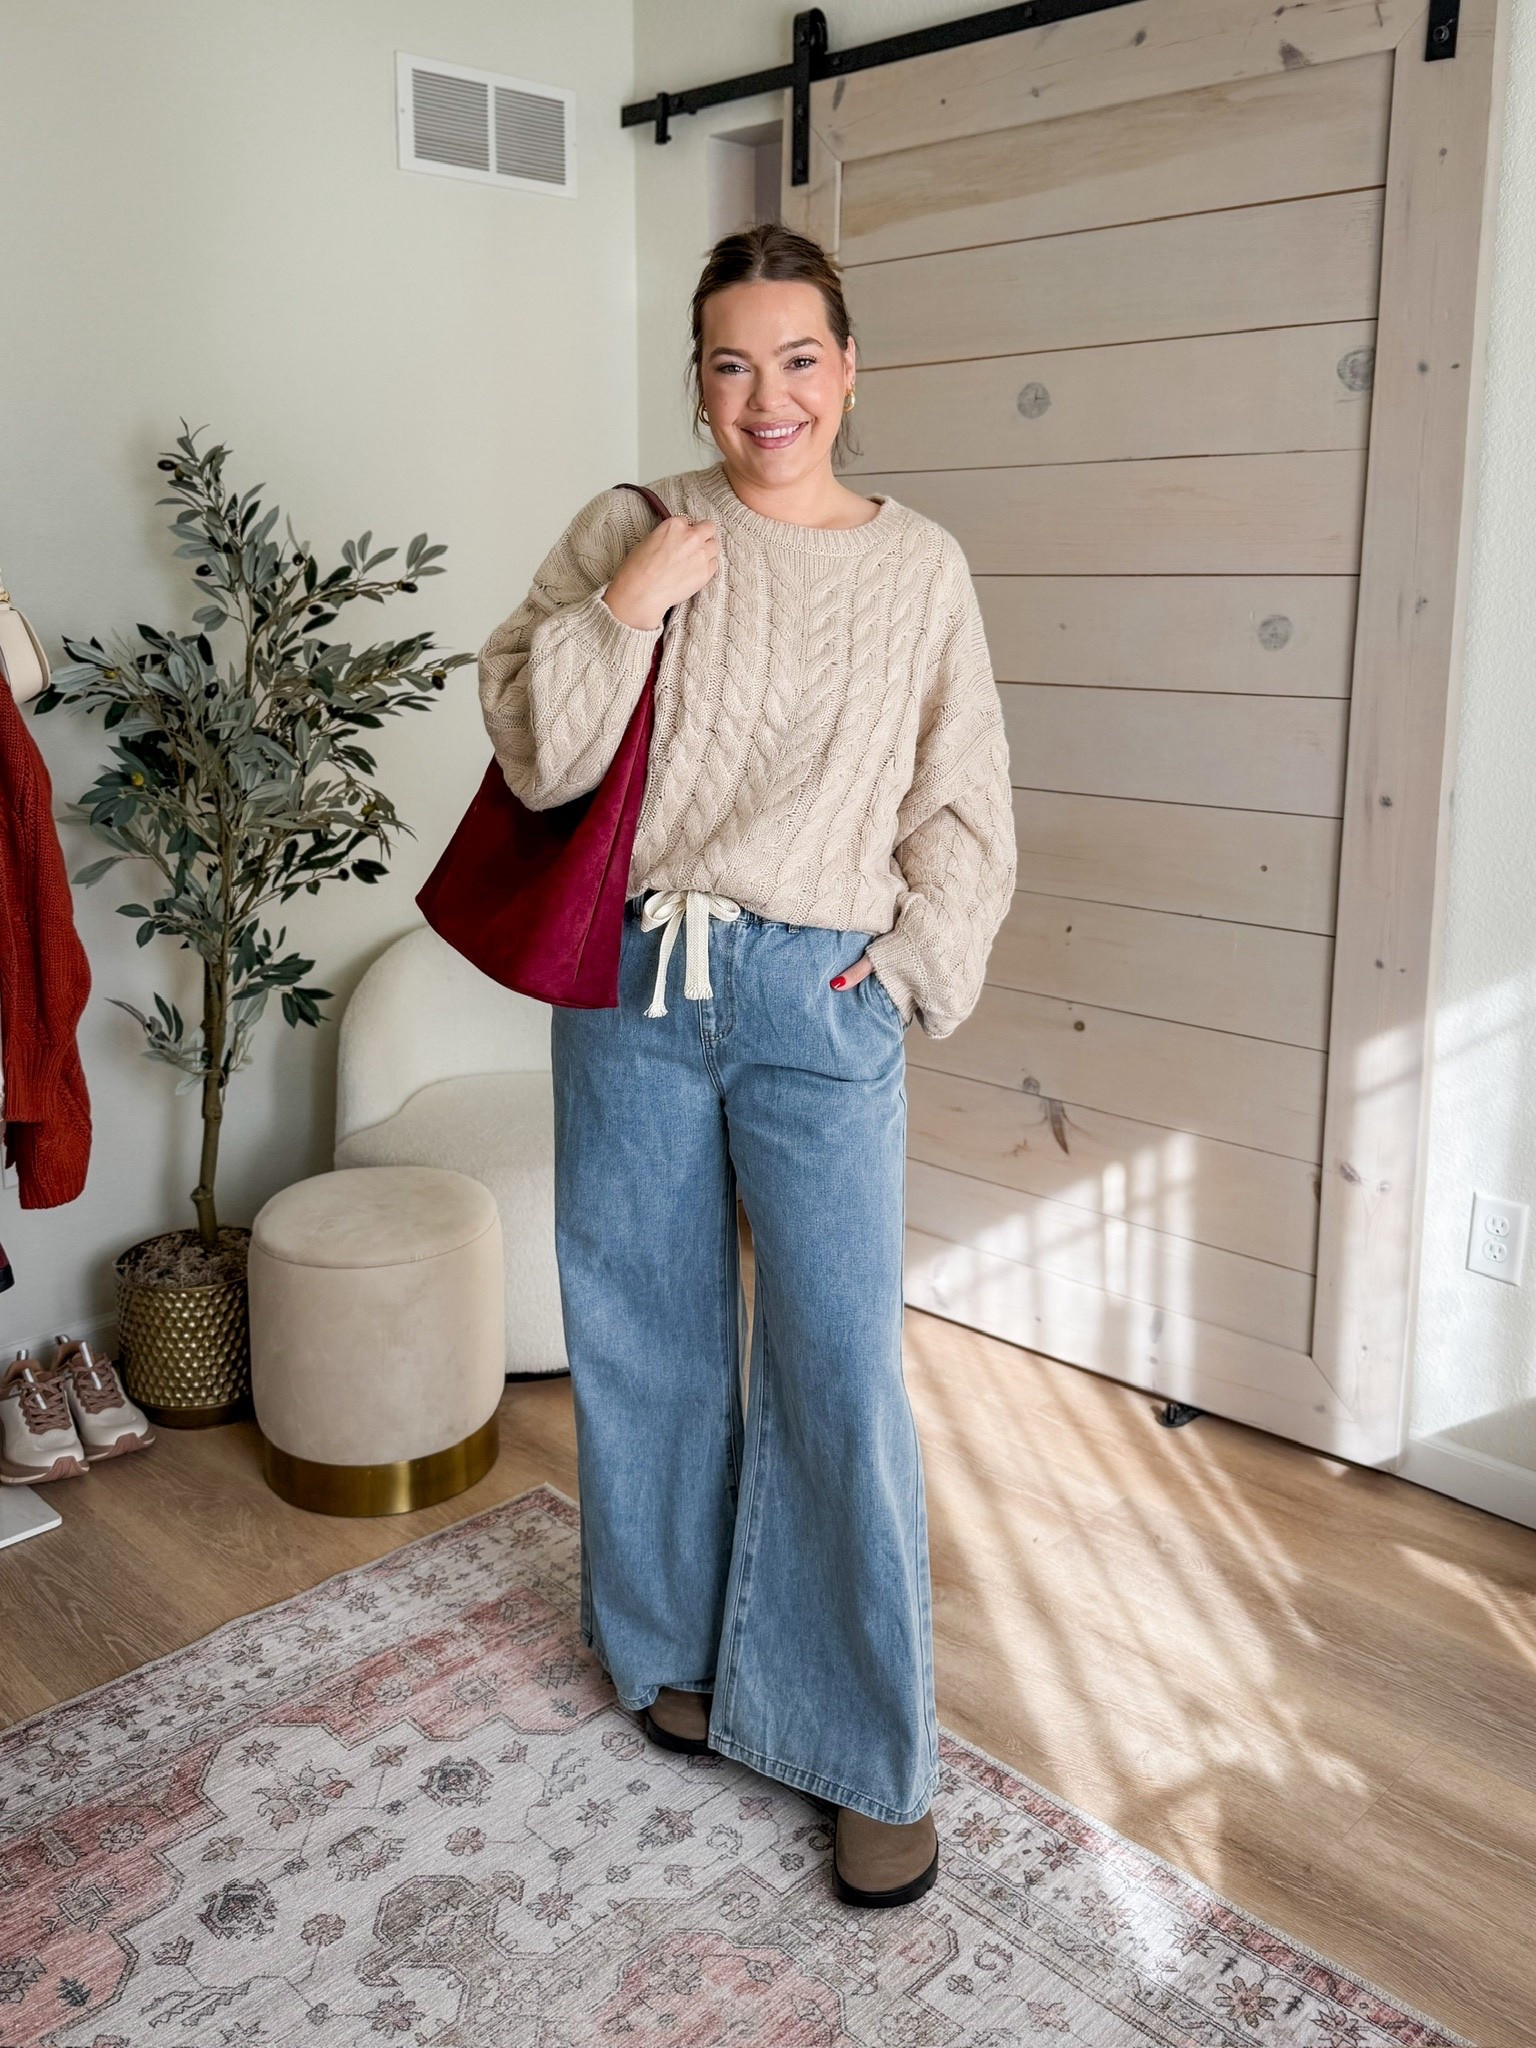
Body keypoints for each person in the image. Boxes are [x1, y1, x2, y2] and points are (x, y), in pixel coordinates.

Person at [477, 222, 1016, 1908]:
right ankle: (671, 1654)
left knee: (839, 1363)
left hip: (814, 990)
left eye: (798, 359)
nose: (766, 395)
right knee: (645, 1331)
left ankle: (868, 1750)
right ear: (698, 381)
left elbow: (965, 800)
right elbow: (538, 751)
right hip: (636, 978)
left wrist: (903, 972)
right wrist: (627, 607)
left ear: (849, 372)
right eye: (731, 363)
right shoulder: (635, 526)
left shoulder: (920, 567)